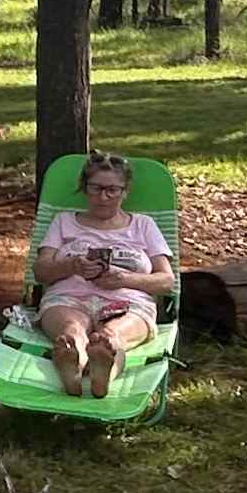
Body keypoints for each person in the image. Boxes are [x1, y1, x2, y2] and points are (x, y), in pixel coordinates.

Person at [25, 150, 172, 398]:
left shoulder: (143, 225)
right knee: (72, 330)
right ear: (84, 188)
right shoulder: (64, 222)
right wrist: (71, 266)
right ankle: (73, 362)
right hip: (68, 297)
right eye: (95, 188)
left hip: (128, 301)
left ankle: (102, 368)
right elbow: (40, 272)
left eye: (112, 190)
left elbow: (167, 281)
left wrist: (125, 279)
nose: (103, 197)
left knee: (110, 336)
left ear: (125, 192)